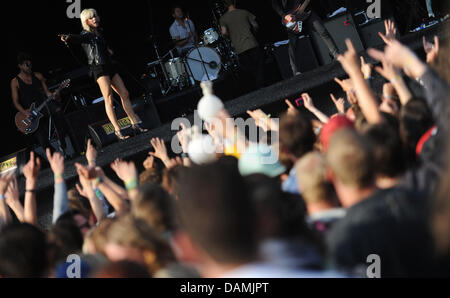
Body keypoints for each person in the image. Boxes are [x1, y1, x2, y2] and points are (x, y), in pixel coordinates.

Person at [60, 8, 148, 141]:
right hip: (98, 68)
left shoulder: (99, 32)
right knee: (108, 97)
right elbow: (79, 38)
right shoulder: (86, 34)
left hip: (109, 66)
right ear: (86, 21)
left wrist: (108, 50)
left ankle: (135, 124)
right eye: (91, 17)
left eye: (95, 16)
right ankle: (118, 130)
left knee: (124, 93)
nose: (94, 19)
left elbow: (102, 46)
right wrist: (69, 37)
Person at [10, 52, 69, 156]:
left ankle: (62, 141)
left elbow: (47, 92)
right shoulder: (15, 82)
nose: (29, 67)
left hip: (44, 105)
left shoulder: (38, 75)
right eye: (26, 65)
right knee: (43, 140)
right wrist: (25, 112)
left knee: (58, 111)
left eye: (30, 64)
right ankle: (57, 157)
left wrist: (55, 94)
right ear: (20, 66)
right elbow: (15, 102)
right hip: (31, 113)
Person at [272, 0, 339, 75]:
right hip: (292, 18)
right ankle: (295, 71)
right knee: (293, 44)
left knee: (323, 32)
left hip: (306, 13)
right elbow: (274, 3)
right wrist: (284, 15)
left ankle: (336, 55)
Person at [220, 0, 264, 91]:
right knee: (258, 64)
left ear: (225, 5)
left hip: (239, 47)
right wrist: (253, 33)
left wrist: (231, 37)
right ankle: (261, 85)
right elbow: (255, 25)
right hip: (251, 42)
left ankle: (256, 87)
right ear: (234, 2)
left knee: (248, 67)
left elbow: (224, 33)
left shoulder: (223, 18)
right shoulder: (244, 12)